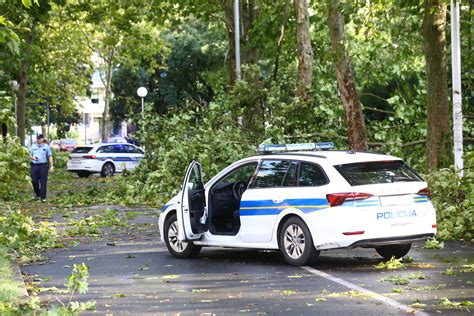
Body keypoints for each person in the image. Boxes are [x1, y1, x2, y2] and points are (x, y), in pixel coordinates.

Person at [29, 134, 54, 202]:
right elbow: (28, 155)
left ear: (43, 139)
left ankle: (43, 197)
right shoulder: (33, 146)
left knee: (43, 182)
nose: (38, 140)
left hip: (43, 165)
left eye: (40, 139)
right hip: (34, 165)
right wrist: (32, 157)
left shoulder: (46, 147)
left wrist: (51, 166)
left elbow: (50, 156)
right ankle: (38, 194)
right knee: (34, 181)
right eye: (38, 139)